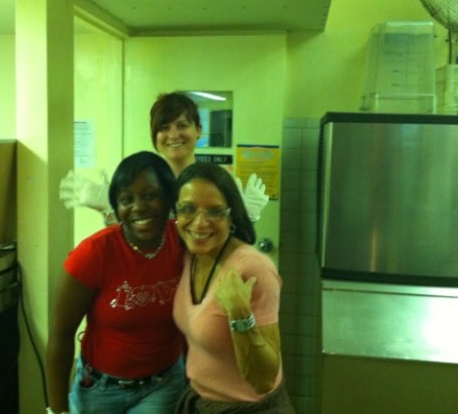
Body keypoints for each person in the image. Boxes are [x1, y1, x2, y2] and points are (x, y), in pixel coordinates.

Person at [46, 151, 187, 414]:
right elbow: (61, 334)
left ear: (168, 197)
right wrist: (57, 410)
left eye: (150, 195)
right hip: (99, 389)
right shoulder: (93, 253)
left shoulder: (183, 241)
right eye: (126, 199)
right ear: (117, 207)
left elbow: (220, 243)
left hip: (163, 385)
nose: (138, 207)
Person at [172, 162, 294, 413]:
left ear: (231, 216)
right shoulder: (189, 256)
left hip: (250, 409)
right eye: (188, 209)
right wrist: (110, 214)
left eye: (215, 212)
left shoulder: (253, 269)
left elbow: (263, 380)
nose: (199, 223)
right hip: (200, 400)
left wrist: (240, 314)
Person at [59, 92, 269, 223]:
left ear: (198, 130)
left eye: (182, 125)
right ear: (154, 135)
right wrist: (111, 211)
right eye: (164, 128)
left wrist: (246, 218)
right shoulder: (140, 182)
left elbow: (230, 245)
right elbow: (128, 244)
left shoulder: (216, 181)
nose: (173, 135)